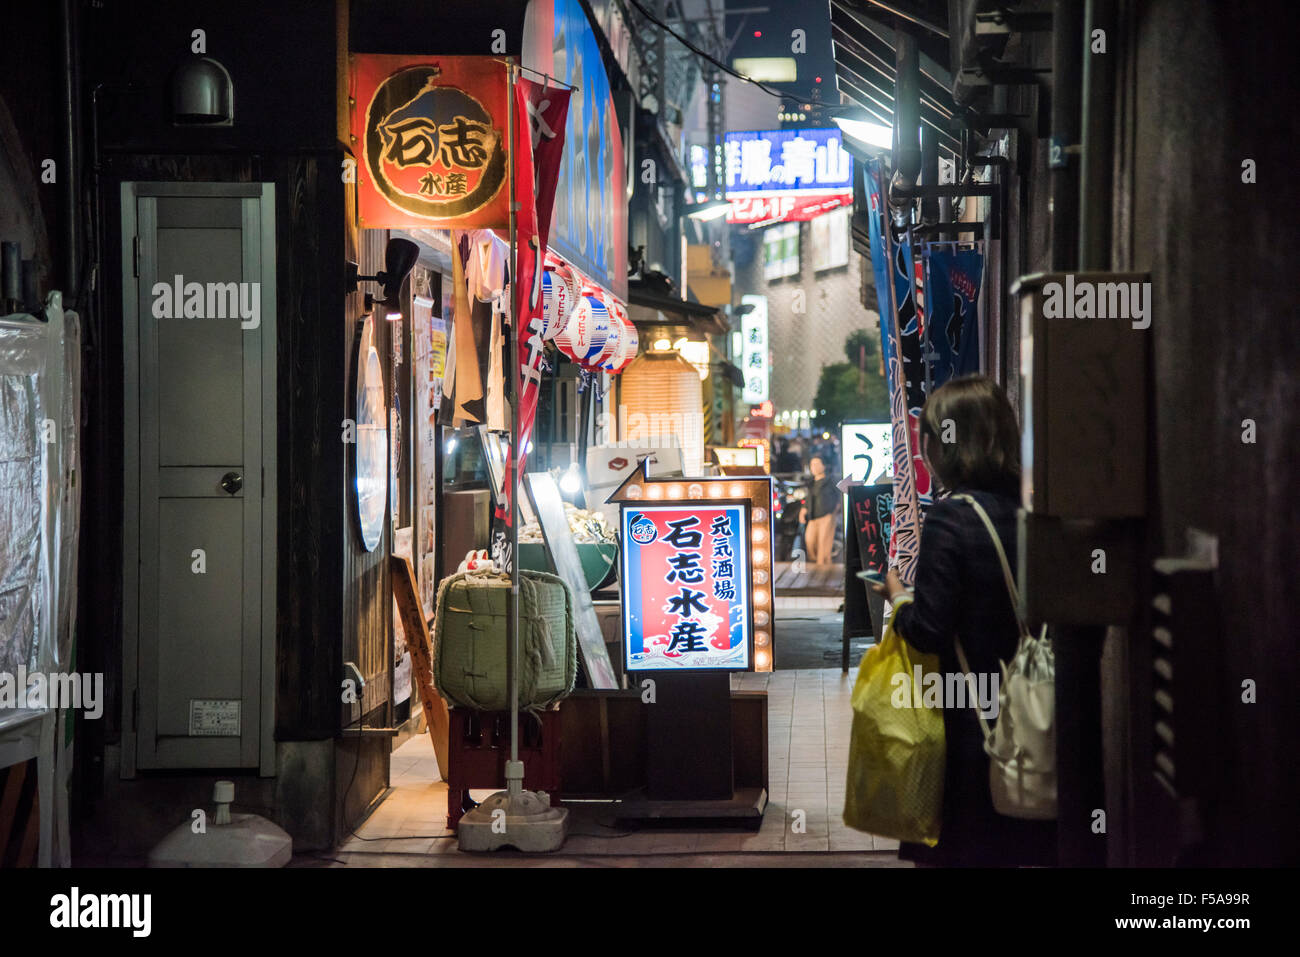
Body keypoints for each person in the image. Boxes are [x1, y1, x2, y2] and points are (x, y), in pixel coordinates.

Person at [872, 375, 1057, 867]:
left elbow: (930, 630)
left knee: (967, 850)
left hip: (973, 730)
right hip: (1041, 717)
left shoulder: (952, 520)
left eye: (927, 436)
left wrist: (898, 598)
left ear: (942, 445)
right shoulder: (1039, 509)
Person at [799, 454, 839, 565]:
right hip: (813, 516)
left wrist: (834, 512)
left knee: (824, 544)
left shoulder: (831, 481)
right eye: (812, 464)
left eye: (817, 464)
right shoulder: (811, 483)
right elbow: (807, 499)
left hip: (827, 515)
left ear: (824, 466)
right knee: (810, 540)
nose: (814, 467)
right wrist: (803, 511)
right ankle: (818, 563)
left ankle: (823, 568)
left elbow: (839, 497)